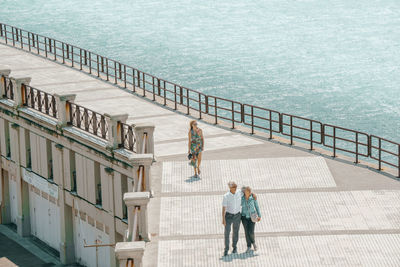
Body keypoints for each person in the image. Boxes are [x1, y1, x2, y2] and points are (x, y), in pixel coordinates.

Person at [222, 181, 257, 256]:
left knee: (235, 232)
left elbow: (247, 189)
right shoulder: (226, 196)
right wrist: (223, 219)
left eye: (235, 187)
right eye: (233, 187)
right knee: (227, 233)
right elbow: (224, 208)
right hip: (228, 216)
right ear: (230, 188)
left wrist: (253, 193)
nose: (235, 189)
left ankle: (234, 247)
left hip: (237, 215)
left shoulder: (239, 192)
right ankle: (226, 249)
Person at [241, 186, 261, 252]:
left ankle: (254, 243)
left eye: (248, 192)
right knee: (246, 232)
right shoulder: (242, 198)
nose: (247, 193)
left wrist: (259, 215)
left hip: (252, 217)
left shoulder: (253, 198)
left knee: (251, 232)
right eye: (246, 191)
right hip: (244, 217)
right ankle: (248, 246)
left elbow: (257, 207)